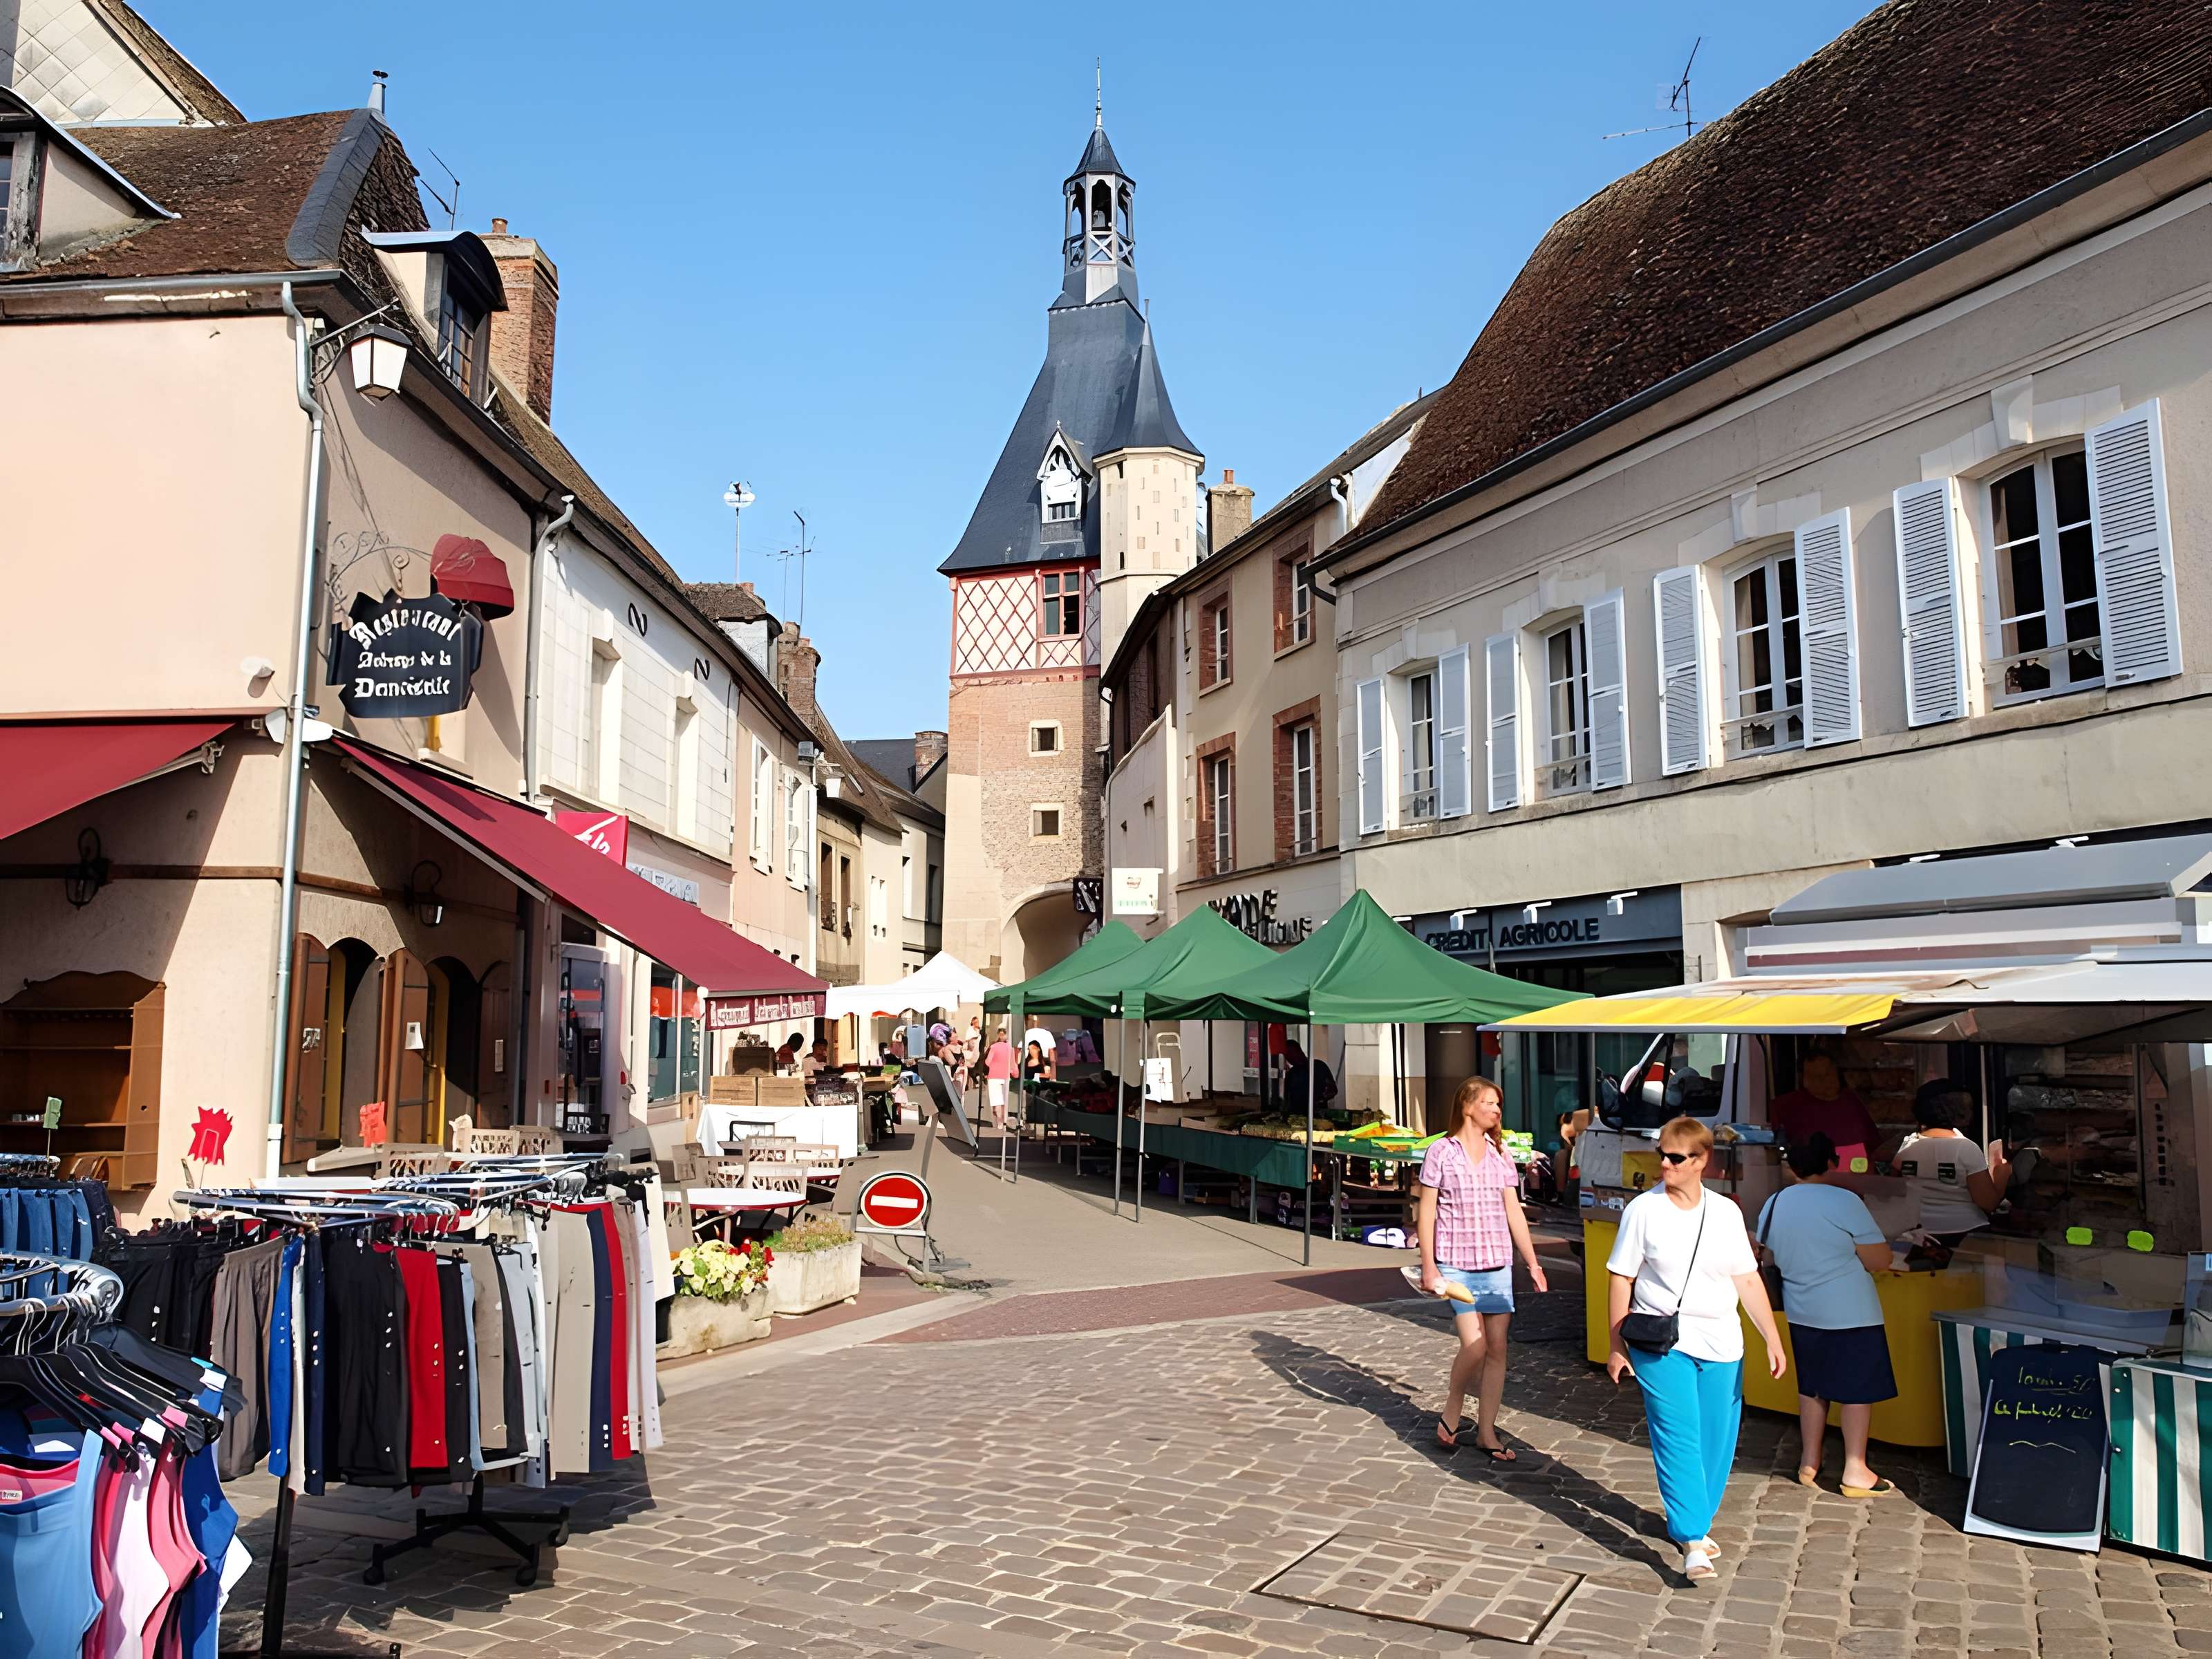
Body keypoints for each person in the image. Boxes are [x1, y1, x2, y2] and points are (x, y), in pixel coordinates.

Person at [1607, 1116, 1785, 1586]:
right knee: (1678, 1436)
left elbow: (1746, 1278)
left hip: (1723, 1340)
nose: (1664, 1163)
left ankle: (1693, 1518)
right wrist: (1614, 1344)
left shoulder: (1726, 1212)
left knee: (1716, 1441)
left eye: (1676, 1157)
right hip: (1660, 1342)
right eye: (1661, 1154)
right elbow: (1621, 1275)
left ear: (1702, 1161)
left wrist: (1771, 1335)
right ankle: (1691, 1538)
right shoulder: (1642, 1211)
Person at [1755, 1132, 1897, 1497]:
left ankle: (1809, 1460)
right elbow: (1881, 1260)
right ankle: (1855, 1468)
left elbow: (1769, 1254)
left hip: (1802, 1310)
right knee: (1855, 1391)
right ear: (1832, 1162)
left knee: (1812, 1388)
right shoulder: (1844, 1201)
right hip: (1851, 1311)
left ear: (1792, 1165)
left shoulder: (1775, 1202)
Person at [1416, 1077, 1548, 1462]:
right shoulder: (1441, 1152)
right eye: (1489, 1103)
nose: (1496, 1110)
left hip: (1496, 1265)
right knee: (1474, 1346)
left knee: (1497, 1348)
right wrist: (1429, 1266)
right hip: (1455, 1264)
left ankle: (1487, 1432)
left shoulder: (1500, 1155)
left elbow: (1514, 1213)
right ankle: (1453, 1407)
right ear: (1467, 1106)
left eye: (1498, 1105)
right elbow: (1426, 1212)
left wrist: (1533, 1262)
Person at [1894, 1078, 2011, 1247]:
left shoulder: (1907, 1146)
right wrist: (2001, 1175)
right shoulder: (1965, 1148)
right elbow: (1988, 1203)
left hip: (1918, 1235)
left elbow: (1896, 1189)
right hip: (1966, 1234)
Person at [1768, 1052, 1880, 1170]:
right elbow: (1774, 1149)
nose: (1823, 1081)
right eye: (1815, 1076)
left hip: (1858, 1179)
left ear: (1836, 1074)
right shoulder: (1785, 1106)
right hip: (1811, 1182)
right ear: (1805, 1079)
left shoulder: (1852, 1101)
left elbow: (1874, 1146)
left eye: (1827, 1074)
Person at [1281, 1040, 1338, 1116]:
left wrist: (1321, 1099)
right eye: (1286, 1055)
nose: (1289, 1057)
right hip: (1295, 1117)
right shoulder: (1291, 1074)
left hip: (1318, 1115)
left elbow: (1333, 1090)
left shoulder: (1319, 1066)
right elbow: (1287, 1099)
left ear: (1299, 1051)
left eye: (1290, 1053)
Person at [984, 1029, 1018, 1132]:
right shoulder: (1010, 1048)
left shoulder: (994, 1047)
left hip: (994, 1076)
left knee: (997, 1100)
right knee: (1004, 1100)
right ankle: (1004, 1121)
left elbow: (988, 1062)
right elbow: (1013, 1063)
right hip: (1006, 1076)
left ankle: (999, 1122)